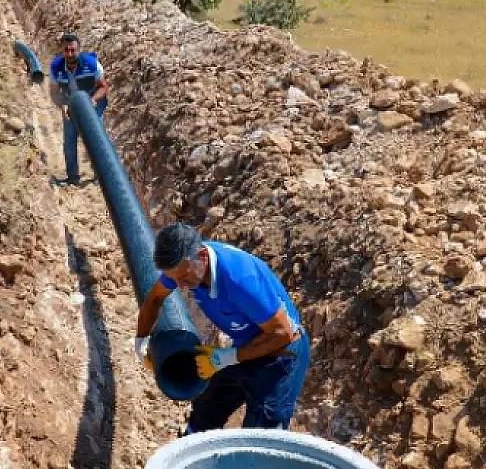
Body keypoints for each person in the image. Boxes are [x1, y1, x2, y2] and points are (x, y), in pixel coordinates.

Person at [133, 223, 311, 435]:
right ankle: (191, 451)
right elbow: (155, 298)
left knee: (261, 434)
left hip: (282, 354)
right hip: (248, 344)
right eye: (174, 279)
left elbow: (283, 333)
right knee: (208, 404)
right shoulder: (187, 265)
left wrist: (227, 357)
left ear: (202, 257)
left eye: (183, 277)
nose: (179, 285)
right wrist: (141, 340)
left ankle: (254, 467)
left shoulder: (240, 281)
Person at [48, 33, 109, 186]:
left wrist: (93, 100)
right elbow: (54, 92)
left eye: (73, 50)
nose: (69, 54)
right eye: (66, 50)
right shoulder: (56, 67)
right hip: (70, 104)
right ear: (62, 51)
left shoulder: (92, 64)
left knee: (97, 140)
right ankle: (72, 177)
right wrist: (62, 106)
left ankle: (100, 176)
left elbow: (103, 87)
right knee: (69, 140)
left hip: (92, 103)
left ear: (79, 50)